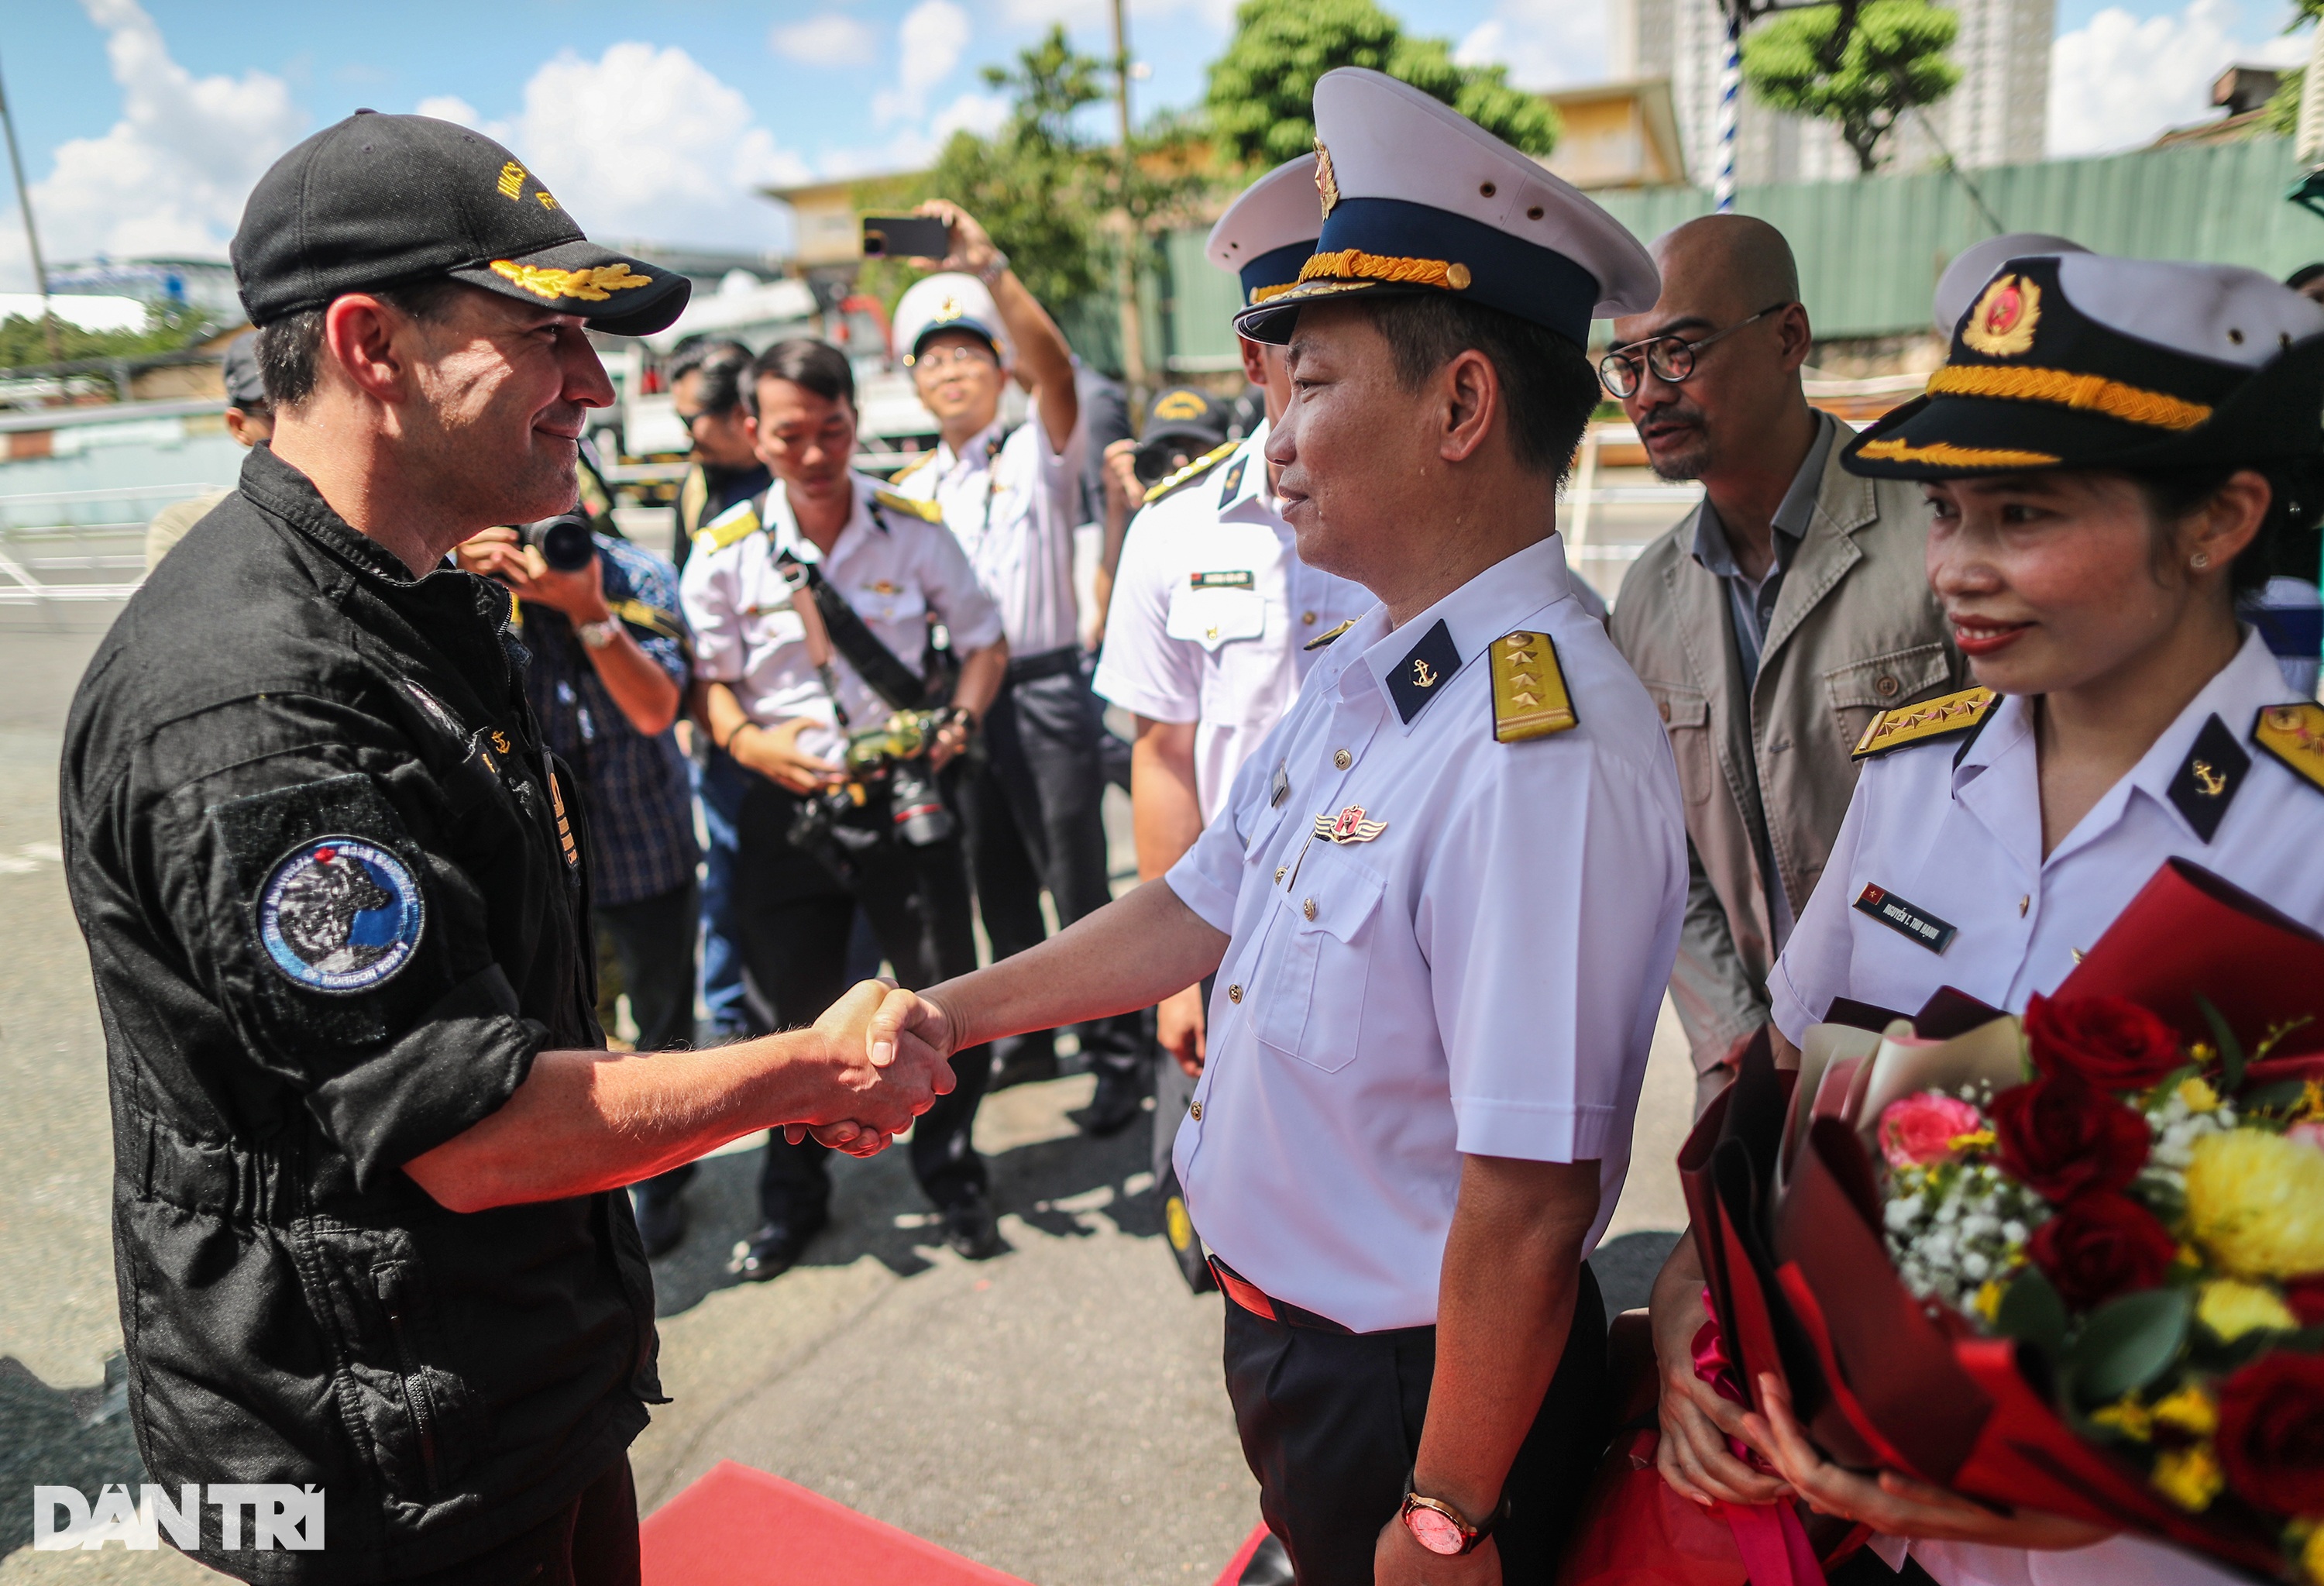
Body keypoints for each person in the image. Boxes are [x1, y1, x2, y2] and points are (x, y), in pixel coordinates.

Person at [60, 113, 948, 1585]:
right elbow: (472, 1133)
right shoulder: (252, 700)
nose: (597, 385)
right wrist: (810, 1069)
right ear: (367, 341)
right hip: (377, 1471)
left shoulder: (408, 605)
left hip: (497, 1394)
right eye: (545, 336)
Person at [861, 67, 1683, 1585]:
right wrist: (943, 1016)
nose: (1279, 436)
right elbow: (1196, 904)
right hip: (1304, 1350)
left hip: (1423, 1394)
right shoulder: (1381, 672)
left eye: (1313, 383)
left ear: (1460, 405)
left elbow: (1529, 1197)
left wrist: (1449, 1512)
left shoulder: (1537, 744)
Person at [1645, 252, 2324, 1586]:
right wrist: (1689, 1299)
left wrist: (2101, 1493)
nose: (1955, 568)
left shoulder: (2303, 836)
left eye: (2022, 514)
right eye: (1947, 512)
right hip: (1884, 1536)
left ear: (2218, 519)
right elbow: (1784, 1086)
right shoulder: (1911, 776)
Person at [1606, 213, 1967, 1116]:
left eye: (1679, 351)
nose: (1648, 391)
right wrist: (1735, 1047)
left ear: (1789, 336)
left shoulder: (1939, 534)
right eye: (1626, 366)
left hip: (1942, 1054)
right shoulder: (1650, 597)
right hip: (1756, 1074)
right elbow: (1664, 859)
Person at [1092, 153, 1373, 1283]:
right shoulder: (1170, 531)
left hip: (1385, 923)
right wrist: (1172, 972)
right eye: (1299, 345)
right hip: (1225, 921)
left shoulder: (1436, 519)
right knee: (1218, 1228)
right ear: (1253, 353)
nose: (1323, 370)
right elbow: (1162, 752)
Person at [681, 336, 1011, 1276]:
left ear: (855, 423)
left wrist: (959, 718)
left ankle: (953, 1173)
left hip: (909, 805)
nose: (817, 455)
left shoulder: (914, 526)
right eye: (791, 435)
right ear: (753, 432)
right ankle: (793, 1202)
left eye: (833, 430)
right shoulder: (727, 549)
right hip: (789, 815)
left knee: (945, 995)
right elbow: (710, 687)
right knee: (792, 1020)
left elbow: (984, 644)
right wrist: (750, 746)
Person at [884, 220, 1148, 1125]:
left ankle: (1121, 1054)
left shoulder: (1034, 452)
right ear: (913, 383)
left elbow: (1060, 370)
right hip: (962, 701)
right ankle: (1028, 1038)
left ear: (1000, 372)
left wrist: (987, 267)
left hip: (1041, 687)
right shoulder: (912, 490)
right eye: (934, 360)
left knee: (1074, 879)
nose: (952, 371)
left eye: (970, 354)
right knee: (996, 877)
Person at [452, 516, 701, 1257]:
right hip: (532, 863)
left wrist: (590, 609)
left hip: (644, 843)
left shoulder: (634, 577)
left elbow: (658, 709)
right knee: (556, 1041)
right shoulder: (460, 582)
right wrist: (471, 582)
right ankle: (584, 1190)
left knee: (665, 1031)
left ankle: (663, 1186)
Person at [143, 334, 272, 569]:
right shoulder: (187, 527)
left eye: (313, 404)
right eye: (273, 411)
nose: (305, 425)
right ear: (239, 426)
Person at [666, 338, 769, 573]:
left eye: (689, 420)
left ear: (739, 414)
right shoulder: (695, 489)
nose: (686, 433)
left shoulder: (800, 480)